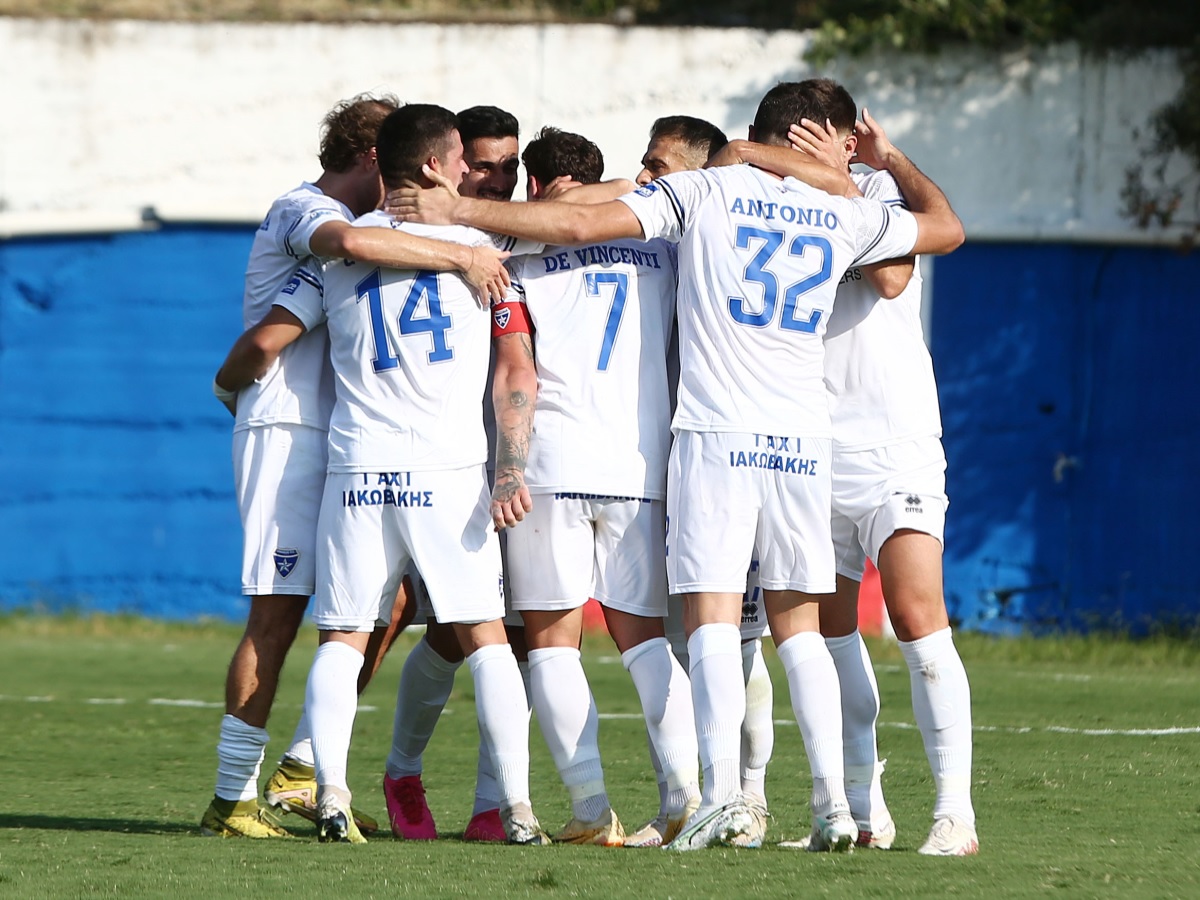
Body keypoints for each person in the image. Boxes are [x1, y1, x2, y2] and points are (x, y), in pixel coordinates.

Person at [388, 79, 964, 852]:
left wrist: (460, 211)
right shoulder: (844, 206)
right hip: (801, 441)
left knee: (712, 629)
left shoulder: (706, 193)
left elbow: (582, 220)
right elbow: (943, 230)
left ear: (756, 136)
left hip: (713, 437)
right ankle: (834, 807)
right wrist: (870, 162)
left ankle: (718, 801)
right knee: (802, 633)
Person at [200, 93, 510, 840]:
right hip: (289, 427)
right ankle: (231, 796)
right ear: (374, 160)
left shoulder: (387, 229)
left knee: (388, 603)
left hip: (346, 437)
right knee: (278, 610)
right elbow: (340, 257)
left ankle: (307, 771)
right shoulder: (302, 211)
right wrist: (466, 249)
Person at [279, 102, 546, 845]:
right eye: (461, 157)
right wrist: (507, 468)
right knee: (488, 636)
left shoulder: (336, 250)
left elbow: (276, 325)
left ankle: (331, 795)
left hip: (358, 465)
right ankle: (517, 808)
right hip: (446, 466)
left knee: (343, 635)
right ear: (434, 166)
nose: (469, 171)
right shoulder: (480, 240)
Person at [765, 81, 978, 856]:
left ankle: (955, 815)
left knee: (919, 617)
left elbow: (891, 276)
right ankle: (861, 810)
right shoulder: (758, 202)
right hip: (808, 441)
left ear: (848, 140)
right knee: (827, 635)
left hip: (895, 442)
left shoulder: (876, 190)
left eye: (818, 142)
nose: (806, 158)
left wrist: (858, 174)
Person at [490, 126, 700, 847]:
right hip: (639, 467)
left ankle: (588, 810)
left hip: (551, 466)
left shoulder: (519, 254)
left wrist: (507, 468)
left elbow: (517, 371)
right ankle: (684, 797)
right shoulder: (659, 246)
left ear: (535, 188)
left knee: (552, 643)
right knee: (643, 641)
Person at [381, 104, 535, 844]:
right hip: (437, 456)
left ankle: (492, 807)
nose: (498, 178)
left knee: (522, 635)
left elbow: (613, 198)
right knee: (447, 630)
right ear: (450, 164)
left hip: (526, 461)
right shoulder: (411, 235)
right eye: (484, 165)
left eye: (511, 166)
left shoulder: (527, 224)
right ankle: (395, 770)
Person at [631, 114, 779, 846]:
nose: (644, 178)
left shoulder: (718, 237)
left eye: (658, 166)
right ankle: (678, 799)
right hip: (658, 467)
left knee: (738, 640)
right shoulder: (648, 240)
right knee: (670, 637)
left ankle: (748, 800)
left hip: (724, 459)